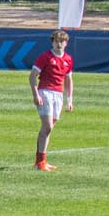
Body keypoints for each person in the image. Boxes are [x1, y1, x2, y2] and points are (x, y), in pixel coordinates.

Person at [31, 30, 74, 171]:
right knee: (47, 126)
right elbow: (32, 76)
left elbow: (68, 80)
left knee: (48, 129)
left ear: (66, 43)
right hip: (45, 92)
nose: (59, 44)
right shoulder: (45, 57)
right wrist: (36, 94)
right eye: (56, 41)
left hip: (58, 95)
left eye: (61, 41)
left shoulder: (68, 59)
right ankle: (40, 161)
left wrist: (70, 99)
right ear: (52, 42)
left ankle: (41, 161)